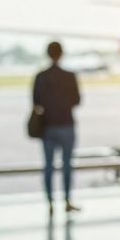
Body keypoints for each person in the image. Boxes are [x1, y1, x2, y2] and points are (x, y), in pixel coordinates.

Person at [33, 41, 81, 215]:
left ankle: (50, 203)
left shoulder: (40, 76)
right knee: (67, 165)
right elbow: (77, 100)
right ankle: (67, 200)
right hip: (66, 125)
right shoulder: (69, 76)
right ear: (61, 54)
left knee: (48, 166)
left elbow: (36, 101)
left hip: (48, 127)